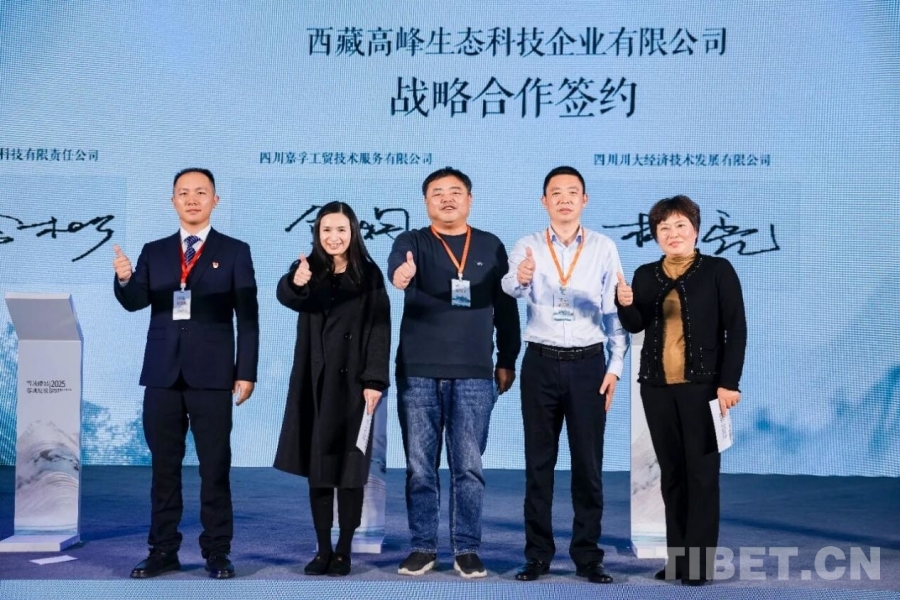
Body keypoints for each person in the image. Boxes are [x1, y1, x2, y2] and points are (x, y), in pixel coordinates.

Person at [113, 168, 259, 579]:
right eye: (183, 193)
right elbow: (135, 301)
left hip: (213, 374)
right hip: (162, 373)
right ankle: (162, 550)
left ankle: (217, 551)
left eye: (200, 192)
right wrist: (124, 278)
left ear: (215, 200)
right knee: (164, 468)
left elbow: (248, 319)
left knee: (215, 467)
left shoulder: (235, 251)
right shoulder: (155, 251)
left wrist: (246, 371)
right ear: (172, 201)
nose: (192, 199)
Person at [388, 166, 521, 579]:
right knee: (419, 467)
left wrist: (507, 358)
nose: (447, 198)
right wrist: (402, 275)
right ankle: (422, 546)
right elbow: (396, 270)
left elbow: (506, 308)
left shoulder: (490, 245)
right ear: (426, 201)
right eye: (437, 192)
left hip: (475, 372)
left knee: (469, 468)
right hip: (418, 371)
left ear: (469, 199)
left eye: (455, 191)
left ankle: (467, 548)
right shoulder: (411, 241)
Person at [501, 165, 629, 584]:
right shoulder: (527, 245)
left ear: (584, 200)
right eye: (555, 192)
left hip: (589, 365)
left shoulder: (604, 247)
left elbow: (614, 311)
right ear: (544, 201)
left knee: (588, 466)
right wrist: (520, 277)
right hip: (540, 362)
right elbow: (510, 286)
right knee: (538, 464)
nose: (564, 199)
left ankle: (588, 555)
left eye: (572, 192)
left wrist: (615, 366)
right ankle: (537, 555)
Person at [615, 194, 746, 586]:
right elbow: (636, 325)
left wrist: (729, 383)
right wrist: (624, 304)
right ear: (655, 234)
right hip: (656, 388)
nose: (672, 233)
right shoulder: (645, 275)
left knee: (701, 476)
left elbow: (736, 330)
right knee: (671, 476)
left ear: (695, 230)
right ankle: (677, 560)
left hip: (703, 389)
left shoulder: (718, 270)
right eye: (664, 227)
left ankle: (699, 565)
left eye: (680, 226)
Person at [273, 201, 391, 577]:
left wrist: (374, 380)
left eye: (341, 229)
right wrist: (296, 281)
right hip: (316, 382)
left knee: (351, 469)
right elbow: (287, 296)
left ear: (353, 232)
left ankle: (344, 550)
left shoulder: (369, 274)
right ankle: (323, 548)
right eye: (326, 230)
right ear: (317, 234)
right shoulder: (309, 269)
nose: (333, 237)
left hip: (354, 385)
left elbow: (380, 330)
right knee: (320, 469)